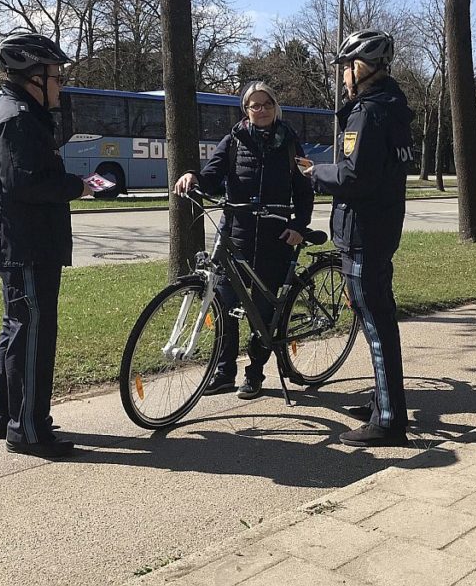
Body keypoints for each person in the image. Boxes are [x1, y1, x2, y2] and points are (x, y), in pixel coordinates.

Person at [0, 32, 90, 458]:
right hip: (28, 243)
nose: (60, 85)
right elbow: (25, 183)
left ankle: (8, 415)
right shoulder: (18, 118)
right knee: (34, 332)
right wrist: (77, 186)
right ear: (33, 77)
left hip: (17, 241)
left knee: (16, 328)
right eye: (55, 77)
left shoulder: (6, 112)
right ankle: (30, 430)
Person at [304, 29, 415, 447]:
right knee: (377, 321)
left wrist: (316, 173)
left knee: (376, 325)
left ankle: (388, 421)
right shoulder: (393, 107)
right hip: (381, 228)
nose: (343, 77)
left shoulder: (368, 112)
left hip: (365, 232)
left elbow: (356, 175)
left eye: (346, 69)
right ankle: (382, 402)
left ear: (362, 69)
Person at [173, 81, 314, 399]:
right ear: (245, 110)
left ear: (275, 107)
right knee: (224, 306)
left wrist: (299, 227)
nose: (260, 110)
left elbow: (304, 192)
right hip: (235, 233)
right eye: (254, 105)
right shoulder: (234, 140)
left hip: (274, 237)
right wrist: (193, 176)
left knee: (262, 312)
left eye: (266, 104)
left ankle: (255, 374)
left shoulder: (290, 143)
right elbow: (212, 176)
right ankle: (224, 373)